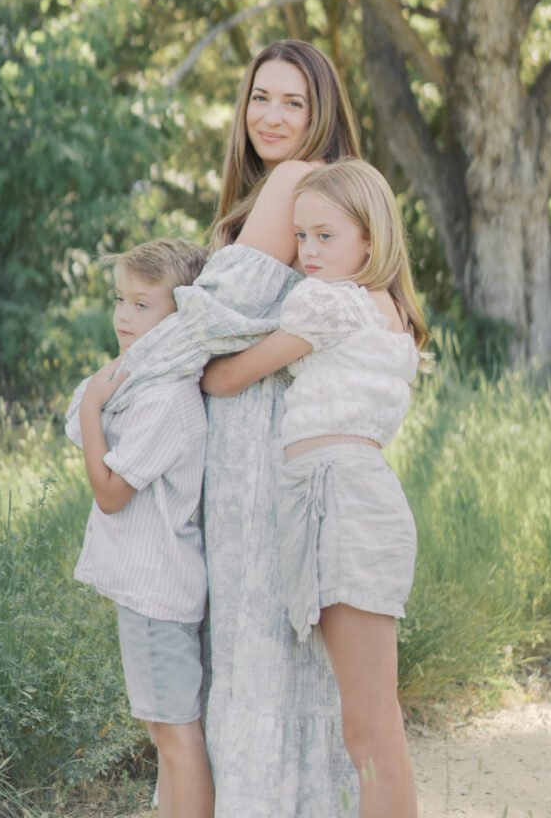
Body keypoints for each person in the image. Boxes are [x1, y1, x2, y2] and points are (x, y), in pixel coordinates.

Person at [98, 40, 362, 816]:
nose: (271, 116)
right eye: (260, 97)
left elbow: (206, 326)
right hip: (253, 440)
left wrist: (114, 383)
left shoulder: (292, 181)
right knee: (263, 656)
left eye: (294, 102)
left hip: (256, 445)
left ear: (322, 115)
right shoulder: (293, 194)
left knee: (251, 653)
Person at [203, 159, 429, 818]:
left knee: (368, 729)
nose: (306, 253)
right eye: (300, 236)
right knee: (369, 723)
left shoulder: (330, 303)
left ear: (371, 237)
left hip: (340, 501)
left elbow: (227, 378)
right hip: (349, 498)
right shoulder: (385, 312)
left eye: (325, 236)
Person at [64, 238, 214, 818]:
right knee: (165, 734)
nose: (124, 316)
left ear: (179, 316)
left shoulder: (166, 399)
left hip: (159, 594)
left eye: (143, 304)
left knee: (176, 738)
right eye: (120, 300)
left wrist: (90, 410)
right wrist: (98, 406)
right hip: (155, 591)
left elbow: (109, 494)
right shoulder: (149, 384)